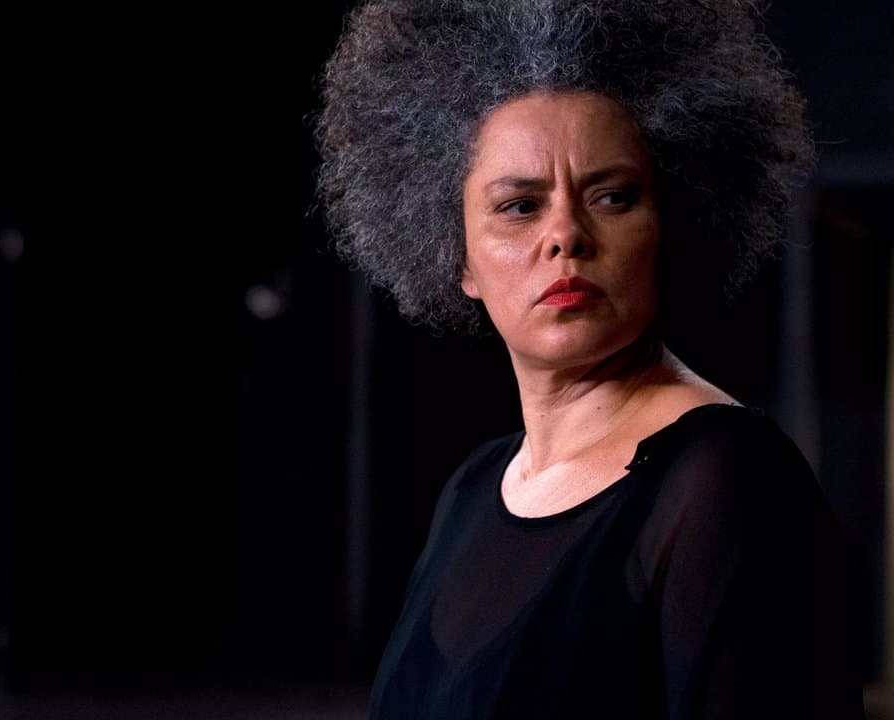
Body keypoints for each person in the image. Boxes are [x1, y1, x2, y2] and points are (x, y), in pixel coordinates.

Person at [314, 1, 867, 717]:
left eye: (612, 197)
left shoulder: (727, 480)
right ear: (460, 259)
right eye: (520, 206)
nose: (566, 235)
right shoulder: (476, 485)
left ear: (668, 226)